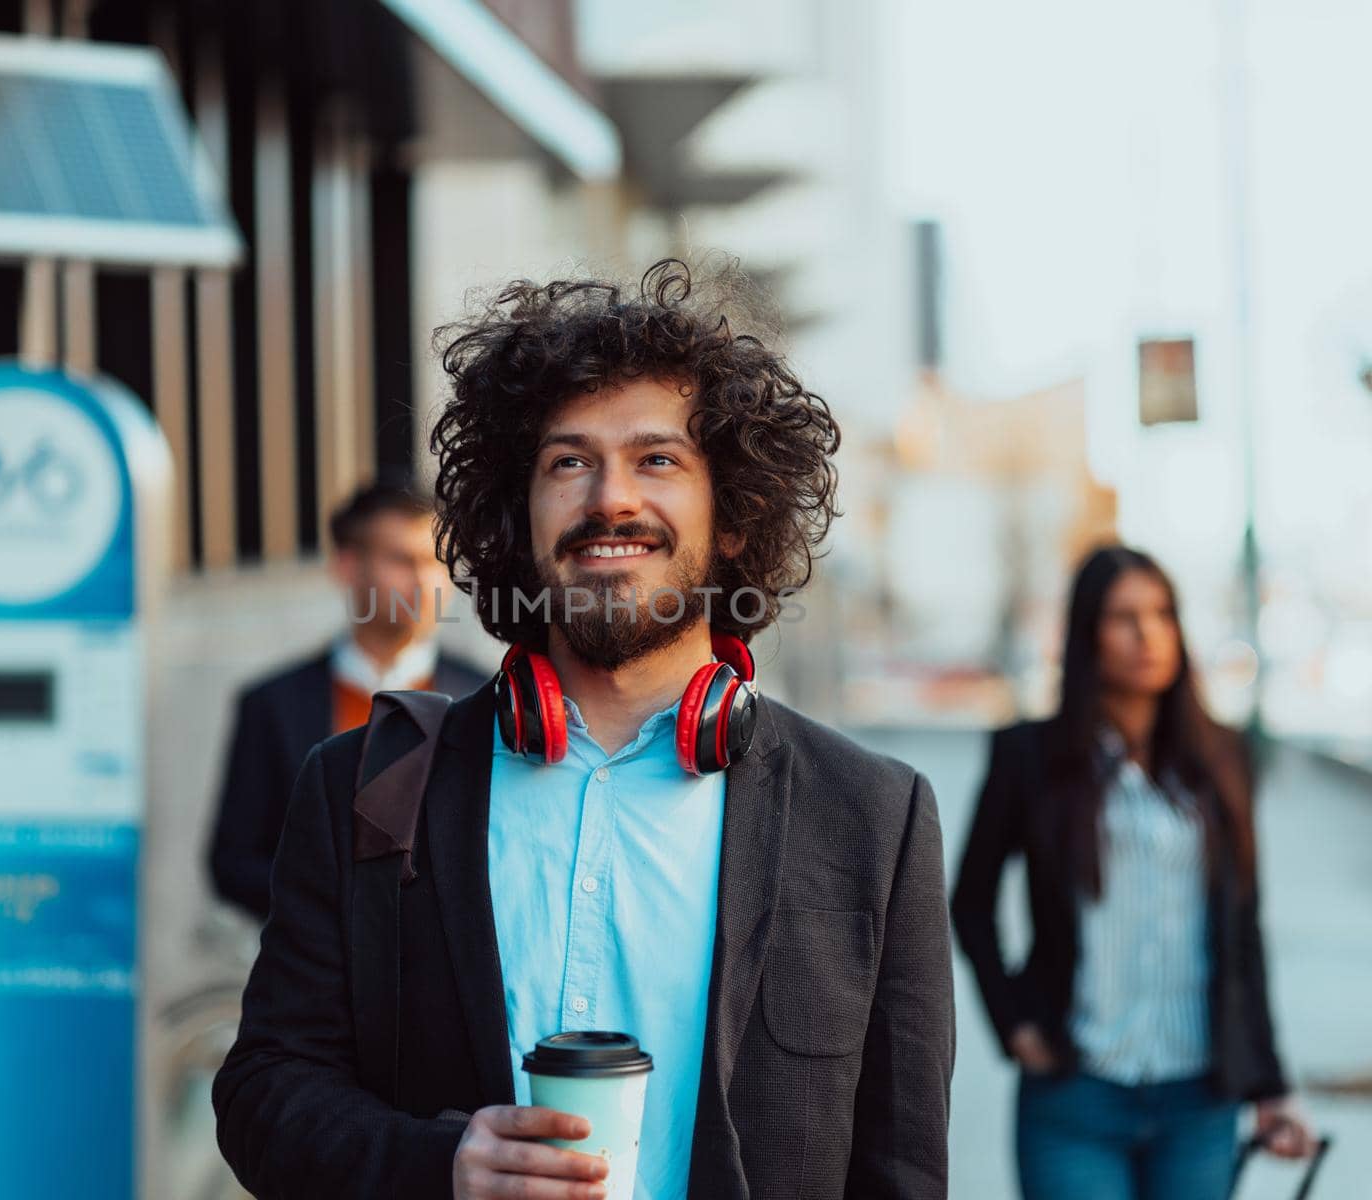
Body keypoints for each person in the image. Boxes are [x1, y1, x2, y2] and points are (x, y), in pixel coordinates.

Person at [212, 260, 956, 1199]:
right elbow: (261, 1093)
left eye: (657, 459)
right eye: (569, 462)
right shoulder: (362, 781)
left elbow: (902, 1175)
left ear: (732, 518)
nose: (611, 499)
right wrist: (436, 1163)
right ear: (516, 518)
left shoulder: (872, 818)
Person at [951, 545, 1317, 1200]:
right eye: (1124, 617)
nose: (1148, 634)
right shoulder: (1029, 756)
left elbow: (1242, 933)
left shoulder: (1223, 759)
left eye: (1162, 614)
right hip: (1075, 1097)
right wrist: (1012, 1022)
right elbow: (970, 901)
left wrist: (1272, 1085)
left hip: (1199, 1102)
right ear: (1088, 634)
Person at [205, 480, 489, 922]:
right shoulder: (272, 704)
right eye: (402, 560)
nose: (425, 581)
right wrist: (334, 906)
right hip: (316, 973)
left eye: (437, 561)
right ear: (348, 567)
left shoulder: (484, 698)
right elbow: (233, 863)